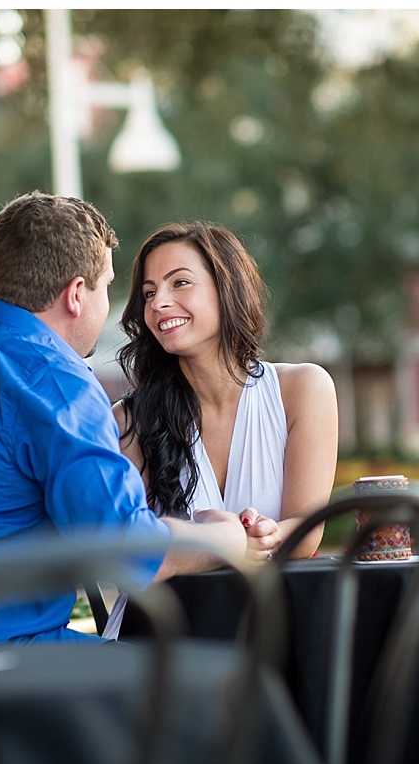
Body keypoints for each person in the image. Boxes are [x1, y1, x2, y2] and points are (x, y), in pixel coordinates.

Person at [0, 192, 262, 645]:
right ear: (77, 295)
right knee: (229, 688)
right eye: (108, 287)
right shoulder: (55, 382)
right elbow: (130, 554)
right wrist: (222, 539)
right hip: (1, 667)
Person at [113, 222, 339, 559]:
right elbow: (133, 548)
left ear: (226, 289)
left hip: (273, 607)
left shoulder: (303, 390)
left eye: (180, 283)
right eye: (149, 292)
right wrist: (230, 545)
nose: (158, 303)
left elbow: (306, 529)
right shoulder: (130, 420)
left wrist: (266, 536)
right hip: (174, 611)